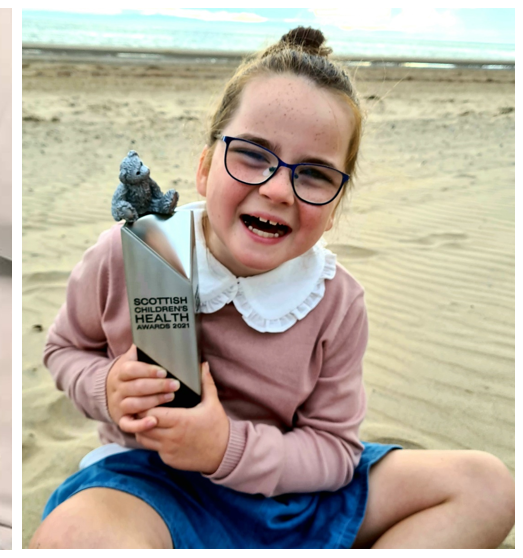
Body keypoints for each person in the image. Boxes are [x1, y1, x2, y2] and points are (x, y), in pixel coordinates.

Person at [31, 28, 513, 549]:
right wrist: (106, 386)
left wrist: (225, 447)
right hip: (152, 482)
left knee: (487, 485)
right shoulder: (134, 255)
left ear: (333, 210)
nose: (279, 188)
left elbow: (333, 450)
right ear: (203, 167)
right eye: (253, 155)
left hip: (291, 494)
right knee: (76, 534)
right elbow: (64, 350)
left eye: (314, 175)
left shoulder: (335, 301)